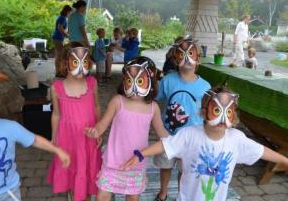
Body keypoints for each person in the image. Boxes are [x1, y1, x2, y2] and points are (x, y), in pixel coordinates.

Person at [123, 86, 288, 201]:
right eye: (216, 110)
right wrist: (141, 154)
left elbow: (260, 151)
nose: (222, 118)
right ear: (204, 112)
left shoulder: (237, 139)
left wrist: (284, 160)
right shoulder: (189, 134)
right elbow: (166, 144)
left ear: (234, 115)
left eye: (228, 112)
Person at [85, 56, 169, 201]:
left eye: (140, 80)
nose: (134, 86)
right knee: (102, 196)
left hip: (136, 166)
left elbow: (162, 133)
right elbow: (103, 124)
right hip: (112, 162)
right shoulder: (118, 101)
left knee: (132, 197)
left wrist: (179, 142)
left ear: (150, 81)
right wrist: (96, 131)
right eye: (130, 80)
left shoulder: (153, 108)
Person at [153, 38, 211, 201]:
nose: (187, 58)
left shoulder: (205, 86)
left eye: (191, 53)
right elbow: (155, 98)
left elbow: (206, 113)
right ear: (175, 59)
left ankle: (181, 195)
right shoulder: (168, 80)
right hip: (168, 134)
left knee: (184, 170)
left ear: (198, 59)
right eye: (182, 54)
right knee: (166, 166)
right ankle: (163, 192)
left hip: (192, 137)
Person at [47, 42, 102, 201]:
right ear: (65, 63)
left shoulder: (92, 83)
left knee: (87, 175)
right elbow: (56, 114)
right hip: (68, 140)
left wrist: (99, 130)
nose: (80, 66)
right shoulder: (56, 88)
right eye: (75, 61)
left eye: (84, 61)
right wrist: (53, 138)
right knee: (72, 177)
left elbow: (97, 106)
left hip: (88, 140)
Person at [51, 5, 72, 77]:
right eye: (70, 12)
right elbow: (60, 28)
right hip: (57, 38)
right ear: (67, 11)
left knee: (59, 55)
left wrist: (67, 33)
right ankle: (58, 72)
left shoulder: (62, 17)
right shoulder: (62, 18)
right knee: (59, 55)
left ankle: (59, 71)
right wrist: (66, 35)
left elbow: (62, 28)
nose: (70, 14)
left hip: (58, 38)